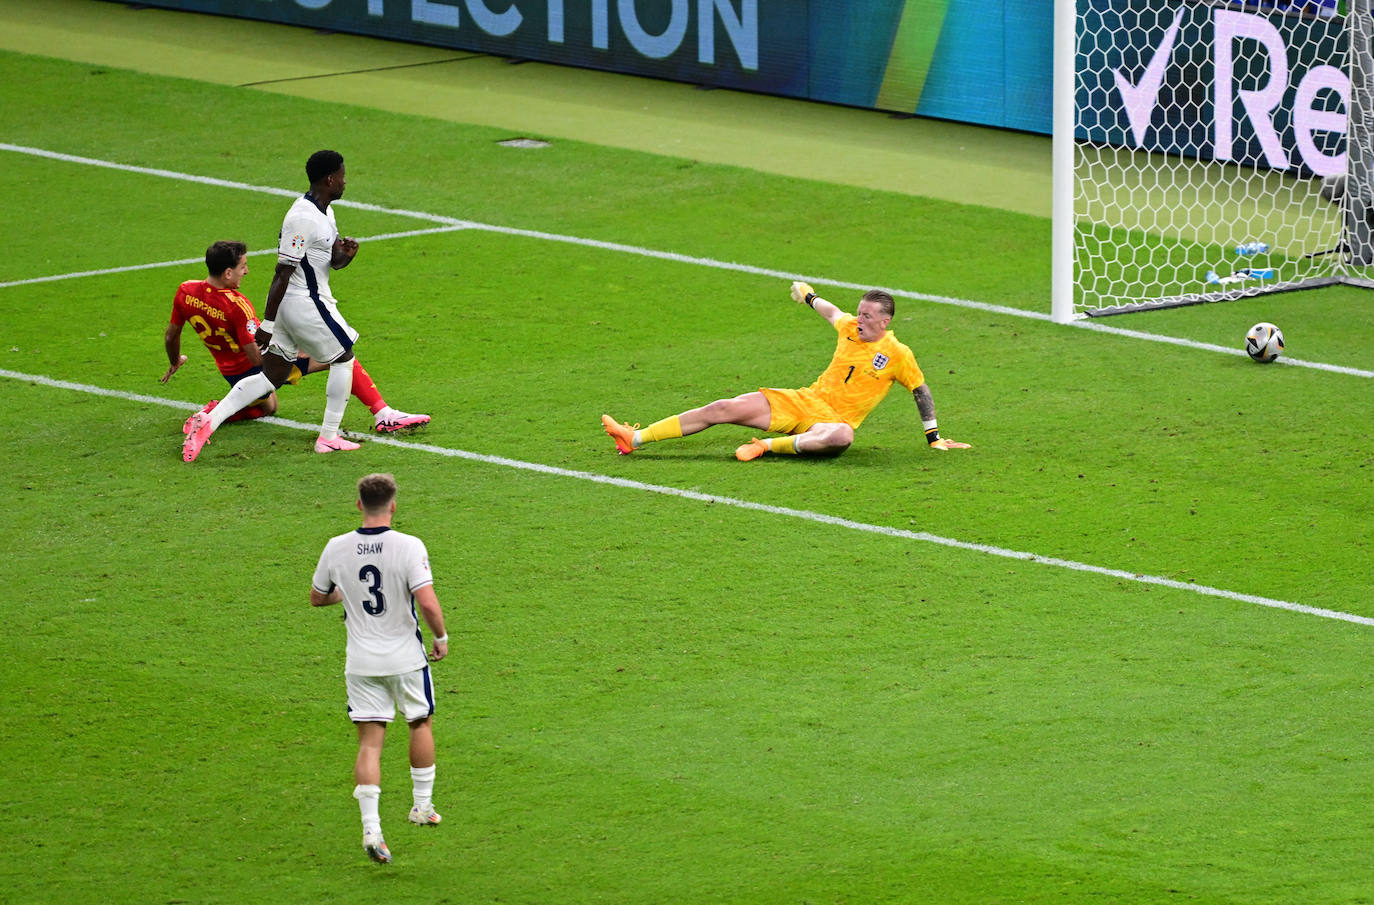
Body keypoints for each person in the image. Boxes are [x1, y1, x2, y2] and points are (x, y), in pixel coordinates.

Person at [183, 150, 428, 461]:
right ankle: (329, 436)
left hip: (300, 302)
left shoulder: (325, 212)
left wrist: (346, 255)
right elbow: (282, 272)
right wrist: (268, 325)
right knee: (344, 357)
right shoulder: (302, 217)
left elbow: (331, 260)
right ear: (329, 179)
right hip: (303, 302)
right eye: (342, 176)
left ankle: (210, 420)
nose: (344, 181)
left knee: (271, 376)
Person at [602, 282, 970, 460]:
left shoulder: (897, 354)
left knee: (842, 438)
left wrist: (933, 437)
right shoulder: (848, 328)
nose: (859, 318)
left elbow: (920, 391)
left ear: (884, 321)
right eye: (859, 312)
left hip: (833, 421)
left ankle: (765, 446)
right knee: (723, 408)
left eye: (867, 315)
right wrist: (808, 295)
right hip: (803, 401)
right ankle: (633, 439)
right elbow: (830, 310)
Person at [311, 473, 449, 865]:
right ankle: (421, 806)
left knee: (370, 743)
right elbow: (427, 602)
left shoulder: (336, 547)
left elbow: (317, 597)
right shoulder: (408, 545)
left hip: (361, 662)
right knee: (419, 722)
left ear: (359, 505)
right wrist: (441, 638)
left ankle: (371, 828)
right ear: (393, 505)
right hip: (405, 657)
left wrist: (347, 593)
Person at [162, 240, 431, 433]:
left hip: (229, 371)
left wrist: (175, 361)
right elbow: (255, 356)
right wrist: (290, 351)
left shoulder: (186, 291)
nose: (247, 271)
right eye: (243, 266)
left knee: (269, 407)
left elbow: (172, 334)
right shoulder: (236, 305)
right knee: (339, 356)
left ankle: (212, 411)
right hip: (257, 368)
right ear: (228, 272)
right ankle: (382, 413)